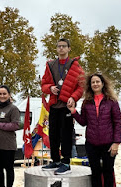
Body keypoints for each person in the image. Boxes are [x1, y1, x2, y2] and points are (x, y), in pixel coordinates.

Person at [68, 73, 121, 187]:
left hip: (109, 144)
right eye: (93, 82)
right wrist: (73, 111)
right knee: (95, 174)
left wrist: (116, 143)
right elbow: (83, 121)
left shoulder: (112, 101)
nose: (95, 84)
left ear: (103, 84)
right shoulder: (87, 102)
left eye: (98, 82)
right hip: (91, 143)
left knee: (108, 173)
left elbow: (117, 123)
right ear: (90, 86)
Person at [41, 38, 85, 175]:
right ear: (56, 48)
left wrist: (73, 97)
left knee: (66, 135)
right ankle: (55, 161)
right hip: (54, 104)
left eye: (64, 46)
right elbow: (43, 84)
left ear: (69, 48)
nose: (61, 48)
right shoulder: (50, 65)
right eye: (59, 46)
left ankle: (66, 163)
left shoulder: (75, 66)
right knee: (53, 134)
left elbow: (81, 86)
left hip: (67, 105)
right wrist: (50, 88)